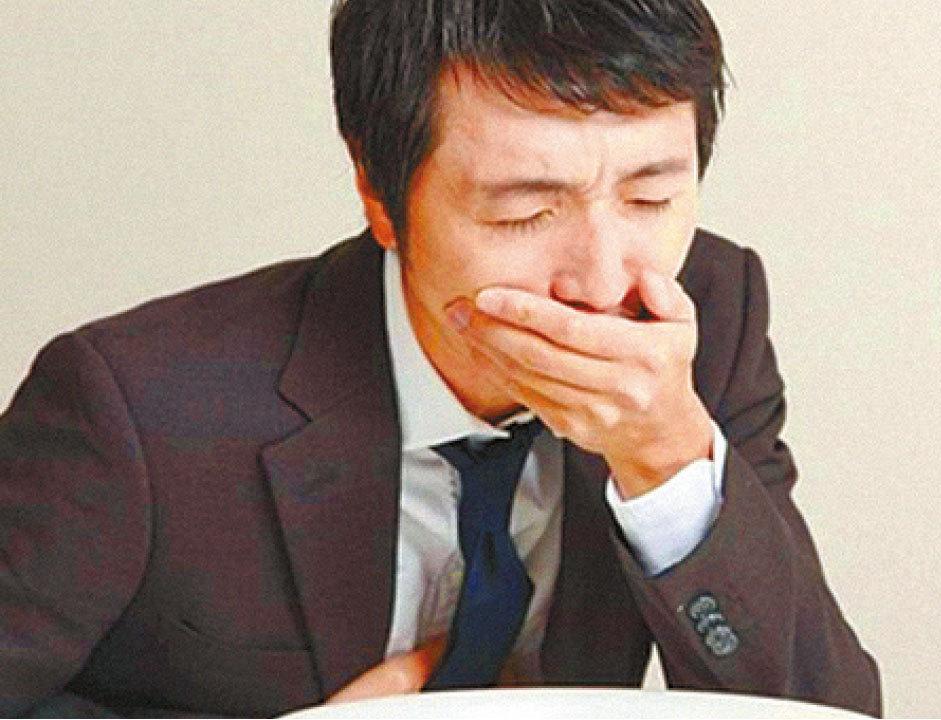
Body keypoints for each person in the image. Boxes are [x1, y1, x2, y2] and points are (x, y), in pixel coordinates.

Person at [0, 0, 882, 716]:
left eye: (651, 198)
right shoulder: (135, 405)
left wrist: (668, 457)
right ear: (379, 196)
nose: (603, 283)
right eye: (524, 214)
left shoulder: (703, 319)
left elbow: (824, 710)